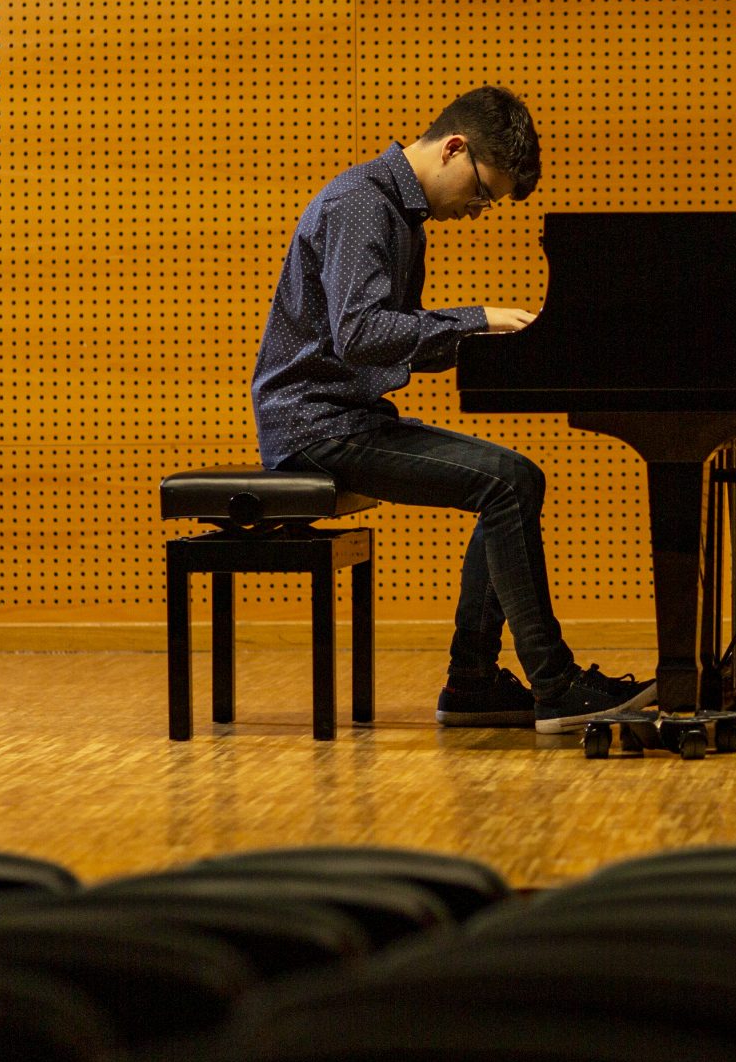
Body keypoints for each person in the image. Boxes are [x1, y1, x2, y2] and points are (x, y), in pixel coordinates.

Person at [251, 85, 653, 733]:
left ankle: (472, 682)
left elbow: (388, 337)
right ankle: (553, 685)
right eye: (482, 193)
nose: (477, 211)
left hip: (345, 415)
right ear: (454, 148)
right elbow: (362, 335)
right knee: (508, 482)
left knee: (515, 479)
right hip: (314, 425)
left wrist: (496, 343)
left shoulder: (394, 211)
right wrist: (477, 319)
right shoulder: (362, 204)